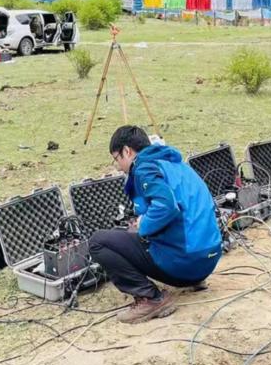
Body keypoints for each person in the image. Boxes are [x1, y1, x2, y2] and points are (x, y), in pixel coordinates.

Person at [89, 126, 223, 324]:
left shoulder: (144, 168)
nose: (118, 167)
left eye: (116, 159)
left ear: (127, 151)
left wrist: (143, 225)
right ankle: (193, 280)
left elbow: (166, 207)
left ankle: (151, 298)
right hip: (207, 262)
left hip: (185, 264)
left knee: (98, 242)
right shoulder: (177, 164)